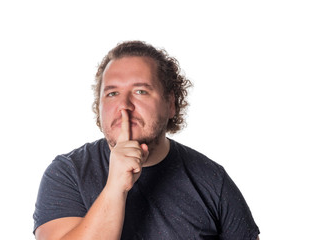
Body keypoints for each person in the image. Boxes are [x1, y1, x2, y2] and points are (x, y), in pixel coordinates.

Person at [33, 41, 260, 240]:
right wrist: (115, 187)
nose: (124, 105)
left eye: (140, 91)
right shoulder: (68, 173)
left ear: (171, 104)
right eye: (112, 93)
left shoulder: (212, 180)